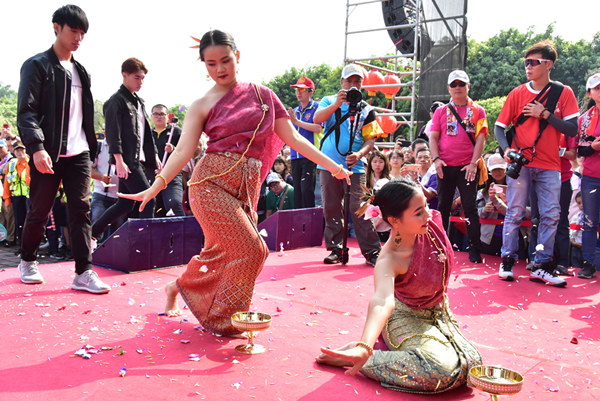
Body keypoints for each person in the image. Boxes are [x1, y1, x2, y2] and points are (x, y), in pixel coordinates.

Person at [119, 29, 352, 336]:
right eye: (211, 63)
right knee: (253, 249)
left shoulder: (263, 95)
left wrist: (334, 166)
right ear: (203, 64)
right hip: (208, 185)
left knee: (222, 253)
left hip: (245, 188)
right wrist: (157, 184)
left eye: (226, 60)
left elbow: (293, 138)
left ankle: (176, 286)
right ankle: (225, 320)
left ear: (238, 57)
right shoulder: (201, 104)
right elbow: (183, 150)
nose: (220, 69)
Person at [316, 178, 482, 393]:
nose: (428, 215)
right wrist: (366, 344)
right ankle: (364, 357)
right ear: (394, 221)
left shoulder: (430, 225)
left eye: (426, 207)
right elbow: (382, 300)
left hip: (440, 313)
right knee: (440, 370)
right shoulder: (389, 259)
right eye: (419, 212)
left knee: (473, 365)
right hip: (406, 316)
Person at [16, 5, 110, 293]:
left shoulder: (82, 71)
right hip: (49, 151)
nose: (78, 38)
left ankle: (84, 271)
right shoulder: (37, 65)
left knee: (81, 209)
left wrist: (92, 151)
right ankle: (28, 259)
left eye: (83, 33)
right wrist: (37, 147)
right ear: (57, 27)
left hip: (79, 152)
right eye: (74, 31)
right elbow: (26, 112)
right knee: (40, 210)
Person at [495, 40, 579, 286]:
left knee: (552, 215)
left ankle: (541, 265)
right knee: (515, 212)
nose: (528, 67)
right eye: (526, 62)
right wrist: (507, 149)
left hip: (551, 165)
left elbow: (572, 128)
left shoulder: (564, 92)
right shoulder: (517, 93)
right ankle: (507, 261)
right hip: (521, 164)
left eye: (534, 62)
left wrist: (545, 114)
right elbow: (500, 128)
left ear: (548, 64)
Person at [313, 64, 383, 267]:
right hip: (329, 165)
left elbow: (371, 140)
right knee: (331, 206)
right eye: (349, 81)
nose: (353, 85)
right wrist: (337, 103)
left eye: (357, 82)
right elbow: (318, 119)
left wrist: (360, 153)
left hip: (356, 167)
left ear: (362, 84)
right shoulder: (328, 100)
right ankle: (336, 249)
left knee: (359, 207)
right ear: (342, 83)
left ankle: (372, 252)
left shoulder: (367, 109)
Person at [91, 58, 161, 242]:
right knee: (149, 199)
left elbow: (145, 134)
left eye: (143, 78)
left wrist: (154, 156)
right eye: (137, 77)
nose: (140, 82)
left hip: (137, 160)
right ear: (125, 75)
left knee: (124, 204)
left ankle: (90, 234)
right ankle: (146, 244)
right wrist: (118, 160)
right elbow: (113, 133)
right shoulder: (115, 101)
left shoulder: (139, 102)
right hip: (127, 162)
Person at [429, 70, 488, 263]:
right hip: (445, 165)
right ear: (448, 88)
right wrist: (436, 159)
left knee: (470, 208)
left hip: (467, 167)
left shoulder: (478, 110)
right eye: (453, 85)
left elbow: (481, 139)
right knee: (443, 207)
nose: (457, 88)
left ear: (468, 86)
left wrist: (473, 163)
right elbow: (434, 137)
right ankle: (441, 247)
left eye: (461, 84)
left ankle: (474, 248)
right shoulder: (440, 111)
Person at [575, 73, 600, 279]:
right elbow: (579, 151)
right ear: (589, 92)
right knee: (590, 222)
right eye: (597, 88)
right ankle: (589, 264)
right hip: (591, 176)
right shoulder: (583, 120)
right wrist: (594, 146)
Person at [288, 76, 322, 209]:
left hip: (310, 155)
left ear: (311, 92)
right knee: (298, 192)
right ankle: (299, 224)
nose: (298, 92)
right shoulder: (294, 111)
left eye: (302, 89)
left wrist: (297, 122)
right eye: (297, 89)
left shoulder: (317, 108)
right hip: (295, 156)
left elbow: (318, 128)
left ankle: (310, 223)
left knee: (307, 190)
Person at [151, 104, 185, 217]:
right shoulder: (148, 135)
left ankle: (183, 232)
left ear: (167, 116)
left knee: (173, 203)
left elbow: (186, 151)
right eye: (156, 114)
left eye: (162, 114)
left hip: (172, 175)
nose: (159, 117)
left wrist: (174, 149)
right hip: (153, 176)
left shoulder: (176, 132)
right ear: (151, 116)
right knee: (154, 208)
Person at [90, 139, 121, 241]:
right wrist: (101, 177)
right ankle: (93, 252)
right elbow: (87, 168)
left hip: (120, 198)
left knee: (116, 233)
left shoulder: (125, 145)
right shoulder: (98, 147)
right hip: (100, 195)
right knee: (96, 226)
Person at [477, 154, 508, 256]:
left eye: (500, 168)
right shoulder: (483, 192)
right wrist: (485, 209)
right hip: (490, 238)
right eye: (494, 169)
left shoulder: (518, 189)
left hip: (514, 237)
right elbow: (476, 212)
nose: (497, 172)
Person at [3, 141, 30, 254]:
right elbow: (7, 183)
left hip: (29, 197)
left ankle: (31, 247)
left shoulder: (31, 163)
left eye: (22, 150)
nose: (20, 152)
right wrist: (7, 200)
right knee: (19, 222)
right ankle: (21, 247)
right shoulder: (11, 165)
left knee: (29, 222)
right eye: (17, 150)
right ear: (14, 152)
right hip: (16, 197)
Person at [0, 139, 16, 247]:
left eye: (1, 147)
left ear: (6, 147)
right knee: (2, 217)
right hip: (1, 193)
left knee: (10, 217)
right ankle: (2, 237)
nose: (0, 150)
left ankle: (10, 239)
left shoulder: (11, 160)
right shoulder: (1, 161)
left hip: (9, 192)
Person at [570, 191, 583, 269]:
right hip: (576, 247)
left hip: (588, 249)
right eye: (579, 203)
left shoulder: (593, 218)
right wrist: (573, 242)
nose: (581, 205)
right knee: (576, 269)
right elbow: (571, 231)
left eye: (583, 202)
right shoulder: (575, 217)